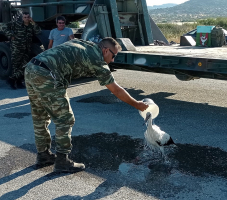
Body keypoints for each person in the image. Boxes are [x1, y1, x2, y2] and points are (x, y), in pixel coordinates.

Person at [24, 37, 148, 173]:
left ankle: (44, 156)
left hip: (31, 67)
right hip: (47, 73)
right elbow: (116, 90)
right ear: (106, 50)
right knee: (65, 119)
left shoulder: (86, 44)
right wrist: (137, 104)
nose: (113, 60)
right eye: (113, 56)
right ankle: (62, 161)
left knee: (40, 116)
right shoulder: (97, 60)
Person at [4, 11, 41, 89]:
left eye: (28, 17)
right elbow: (4, 27)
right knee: (15, 66)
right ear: (22, 18)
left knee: (24, 65)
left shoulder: (31, 26)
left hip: (27, 49)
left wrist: (33, 22)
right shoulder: (16, 24)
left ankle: (12, 79)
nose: (26, 19)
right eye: (25, 17)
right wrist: (10, 35)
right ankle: (15, 83)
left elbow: (38, 31)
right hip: (16, 48)